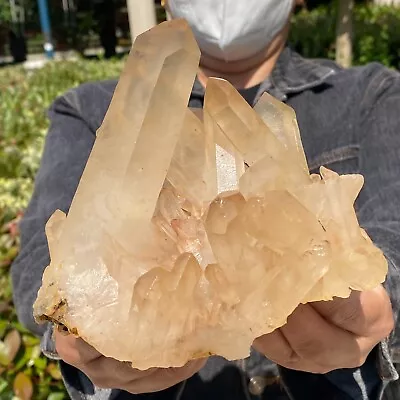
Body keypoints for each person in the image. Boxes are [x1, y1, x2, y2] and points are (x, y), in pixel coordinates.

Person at [10, 0, 400, 399]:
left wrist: (376, 296)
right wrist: (71, 327)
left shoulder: (373, 94)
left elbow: (394, 230)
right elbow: (36, 264)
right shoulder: (88, 109)